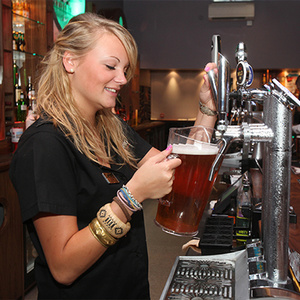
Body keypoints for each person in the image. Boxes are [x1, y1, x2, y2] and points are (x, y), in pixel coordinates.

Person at [9, 13, 217, 299]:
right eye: (111, 66)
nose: (121, 79)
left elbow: (177, 169)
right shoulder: (45, 145)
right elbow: (64, 266)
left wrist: (207, 109)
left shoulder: (110, 128)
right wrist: (130, 197)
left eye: (125, 69)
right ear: (70, 61)